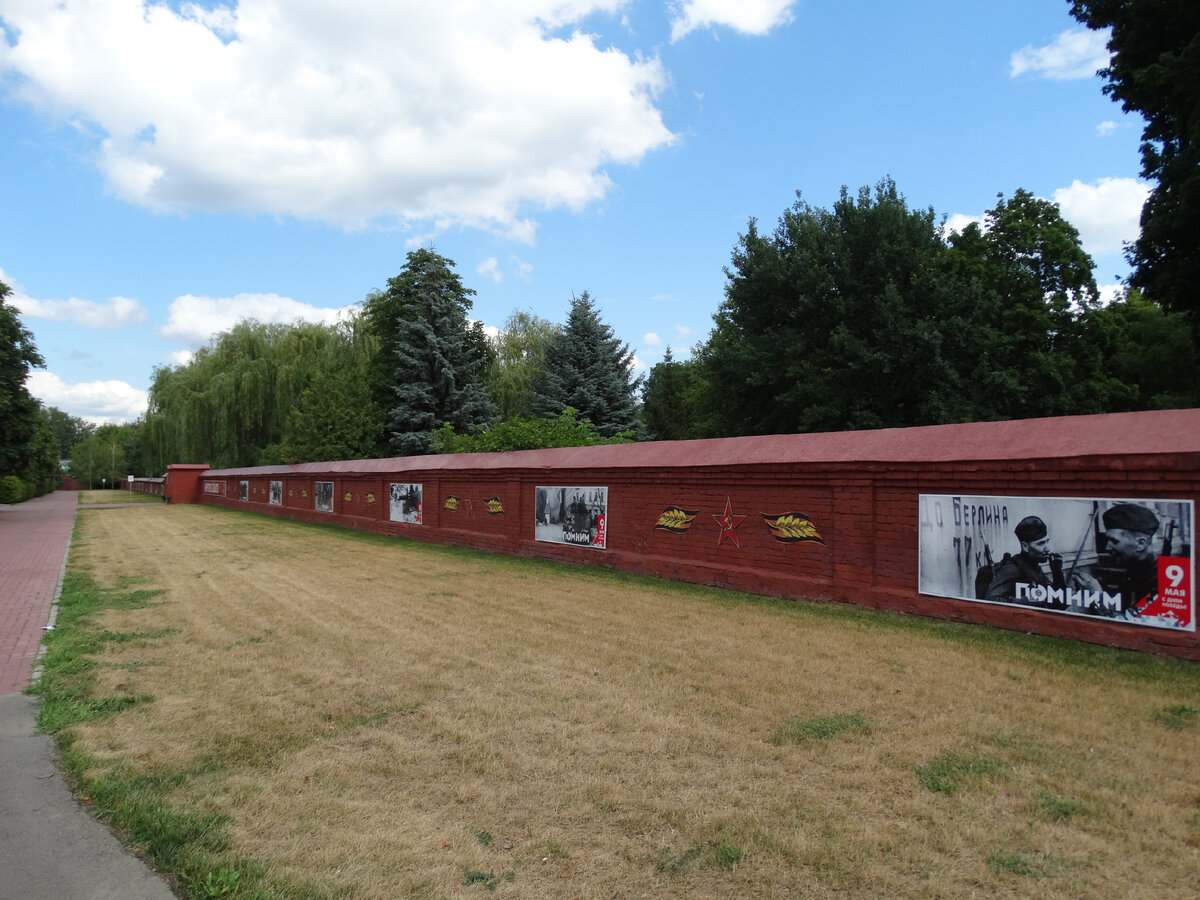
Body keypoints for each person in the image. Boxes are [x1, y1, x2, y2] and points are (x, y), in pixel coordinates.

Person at [1075, 503, 1160, 617]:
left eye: (1114, 541)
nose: (1107, 547)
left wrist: (1098, 597)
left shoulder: (1165, 580)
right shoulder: (1134, 569)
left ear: (1140, 544)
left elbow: (1133, 624)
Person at [984, 516, 1067, 606]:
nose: (1048, 548)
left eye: (1047, 541)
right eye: (1041, 543)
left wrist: (1057, 571)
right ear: (1025, 547)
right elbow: (991, 600)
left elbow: (1059, 603)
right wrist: (1032, 599)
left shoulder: (1034, 566)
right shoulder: (1013, 569)